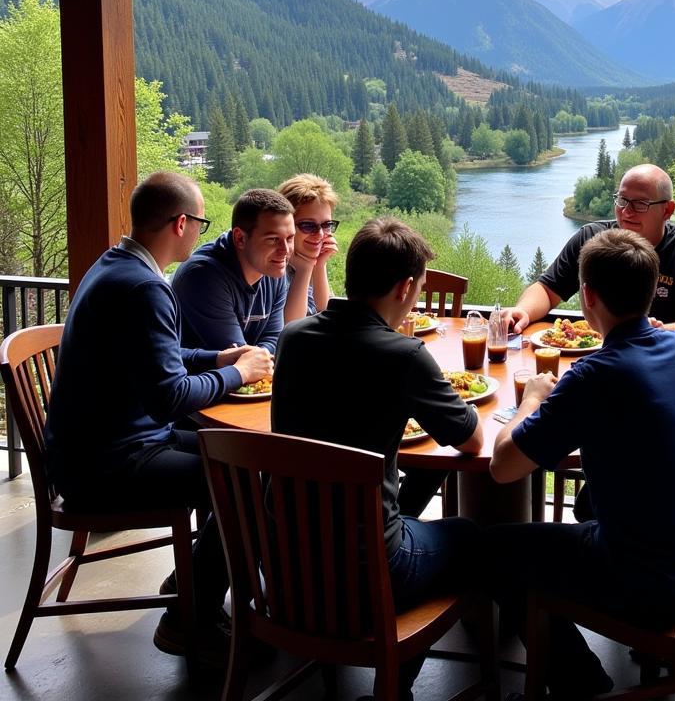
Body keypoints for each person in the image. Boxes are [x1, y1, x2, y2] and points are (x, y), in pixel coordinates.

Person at [42, 172, 274, 663]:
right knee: (247, 479)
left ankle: (195, 584)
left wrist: (218, 359)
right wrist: (242, 372)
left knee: (249, 461)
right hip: (106, 467)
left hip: (97, 449)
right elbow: (170, 397)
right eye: (200, 221)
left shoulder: (115, 265)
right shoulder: (145, 287)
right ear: (182, 223)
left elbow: (159, 359)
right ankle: (188, 619)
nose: (199, 232)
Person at [488, 228, 675, 698]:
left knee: (496, 550)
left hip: (654, 586)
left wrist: (531, 400)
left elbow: (503, 468)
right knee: (583, 514)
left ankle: (580, 684)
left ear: (588, 295)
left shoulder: (594, 375)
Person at [271, 216, 483, 700]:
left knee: (405, 506)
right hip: (368, 575)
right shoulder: (403, 355)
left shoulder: (294, 339)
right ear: (407, 287)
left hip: (286, 568)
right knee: (471, 536)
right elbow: (469, 440)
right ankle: (396, 689)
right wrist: (531, 400)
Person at [508, 163, 675, 346]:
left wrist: (651, 334)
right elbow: (547, 290)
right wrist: (522, 311)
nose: (626, 211)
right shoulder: (592, 239)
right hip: (601, 358)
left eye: (640, 204)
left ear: (667, 210)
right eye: (622, 200)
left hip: (665, 362)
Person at [172, 187, 294, 352]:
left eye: (290, 238)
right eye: (273, 239)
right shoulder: (202, 276)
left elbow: (274, 338)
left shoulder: (272, 268)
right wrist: (264, 359)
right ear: (240, 238)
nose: (285, 250)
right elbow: (237, 356)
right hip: (200, 374)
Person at [276, 173, 339, 322]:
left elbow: (325, 312)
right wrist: (305, 270)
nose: (320, 234)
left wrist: (319, 265)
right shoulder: (274, 266)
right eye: (308, 226)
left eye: (327, 225)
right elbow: (290, 326)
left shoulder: (306, 256)